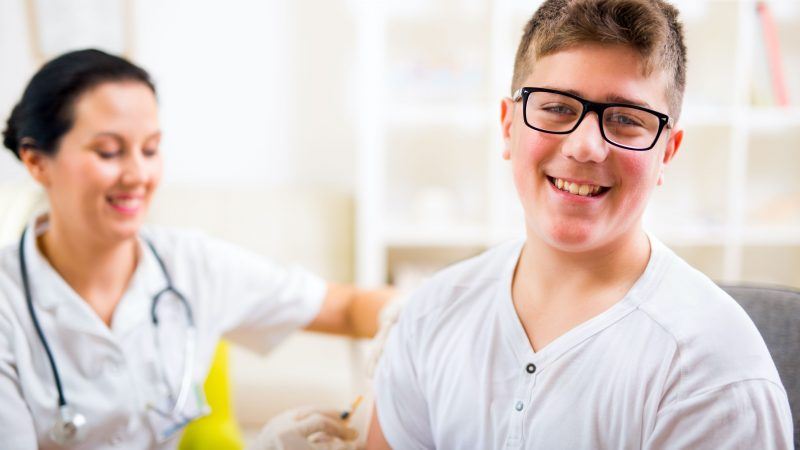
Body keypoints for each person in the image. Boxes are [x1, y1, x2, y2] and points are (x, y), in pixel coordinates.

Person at [367, 0, 794, 448]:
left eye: (627, 119)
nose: (585, 147)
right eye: (556, 108)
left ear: (666, 153)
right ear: (508, 126)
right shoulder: (432, 313)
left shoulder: (715, 373)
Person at [0, 48, 389, 449]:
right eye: (109, 152)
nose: (139, 175)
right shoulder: (7, 307)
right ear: (36, 161)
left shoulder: (191, 265)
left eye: (150, 149)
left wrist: (416, 318)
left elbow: (345, 307)